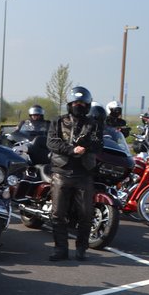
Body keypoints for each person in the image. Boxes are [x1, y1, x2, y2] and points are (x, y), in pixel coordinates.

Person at [46, 86, 103, 262]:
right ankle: (60, 249)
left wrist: (86, 146)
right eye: (76, 102)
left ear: (88, 105)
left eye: (82, 103)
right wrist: (72, 149)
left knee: (86, 214)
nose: (79, 105)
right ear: (70, 104)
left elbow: (99, 144)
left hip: (84, 174)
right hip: (61, 173)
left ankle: (81, 249)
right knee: (58, 214)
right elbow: (52, 142)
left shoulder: (94, 124)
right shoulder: (58, 121)